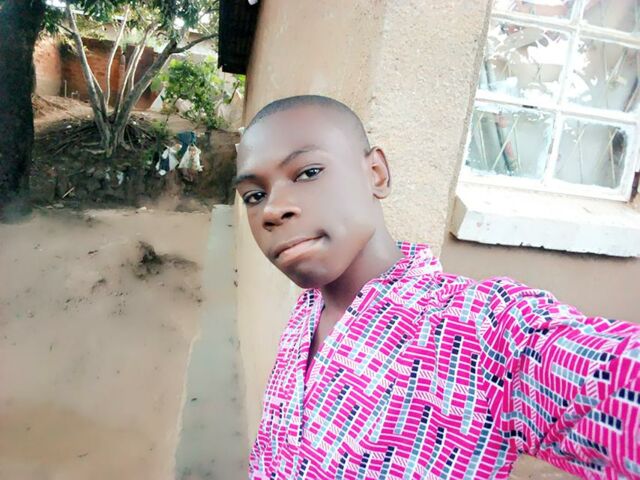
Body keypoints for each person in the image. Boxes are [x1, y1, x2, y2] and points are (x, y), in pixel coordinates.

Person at [234, 95, 640, 479]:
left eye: (308, 172)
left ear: (376, 174)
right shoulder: (309, 309)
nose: (272, 210)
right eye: (254, 195)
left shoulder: (481, 333)